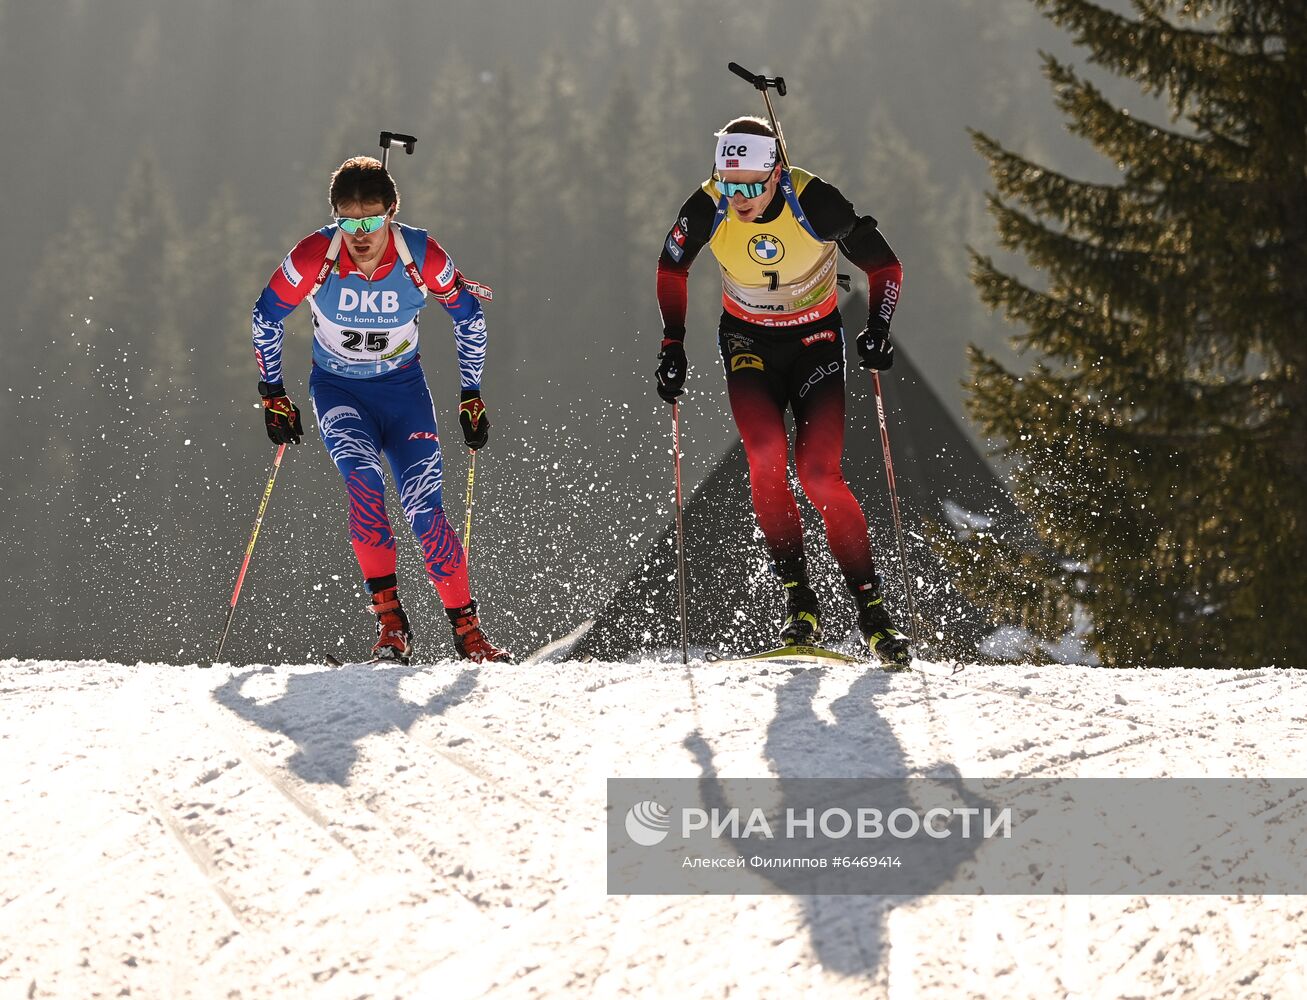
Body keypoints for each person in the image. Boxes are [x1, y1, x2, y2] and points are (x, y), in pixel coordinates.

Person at [654, 116, 911, 666]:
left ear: (776, 173)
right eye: (729, 184)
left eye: (751, 184)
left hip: (816, 341)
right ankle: (800, 600)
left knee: (819, 473)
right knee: (765, 454)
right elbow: (670, 271)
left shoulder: (815, 200)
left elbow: (885, 266)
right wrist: (673, 344)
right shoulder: (707, 204)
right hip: (747, 341)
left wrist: (879, 330)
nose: (739, 197)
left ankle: (872, 611)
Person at [251, 155, 511, 664]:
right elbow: (266, 314)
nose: (360, 234)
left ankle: (469, 634)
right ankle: (391, 627)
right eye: (348, 222)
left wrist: (471, 394)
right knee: (364, 483)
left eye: (371, 220)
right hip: (339, 391)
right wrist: (273, 393)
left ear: (392, 211)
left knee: (424, 510)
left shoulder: (420, 255)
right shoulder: (314, 256)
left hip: (403, 394)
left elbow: (470, 318)